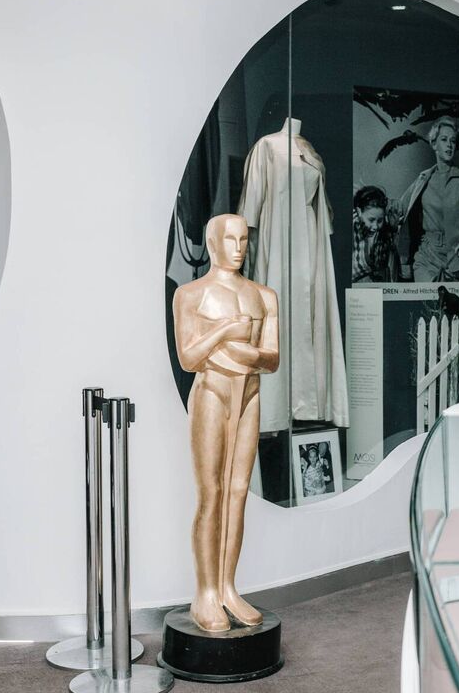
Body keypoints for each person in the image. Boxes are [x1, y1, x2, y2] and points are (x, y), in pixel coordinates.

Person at [172, 213, 280, 632]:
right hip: (212, 393)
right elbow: (188, 358)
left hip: (248, 393)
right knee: (211, 493)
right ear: (212, 242)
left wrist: (234, 350)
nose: (238, 248)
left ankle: (228, 587)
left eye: (243, 240)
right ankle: (206, 592)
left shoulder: (264, 296)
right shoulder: (191, 295)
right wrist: (225, 333)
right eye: (229, 240)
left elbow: (271, 358)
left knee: (238, 492)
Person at [391, 116, 459, 282]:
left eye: (453, 141)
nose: (449, 145)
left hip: (456, 259)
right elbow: (399, 207)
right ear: (434, 144)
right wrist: (370, 199)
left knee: (448, 299)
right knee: (426, 296)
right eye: (444, 140)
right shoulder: (423, 179)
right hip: (426, 257)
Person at [351, 185, 400, 283]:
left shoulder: (385, 230)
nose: (375, 226)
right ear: (359, 212)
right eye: (371, 220)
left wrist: (394, 227)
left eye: (380, 220)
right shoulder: (351, 228)